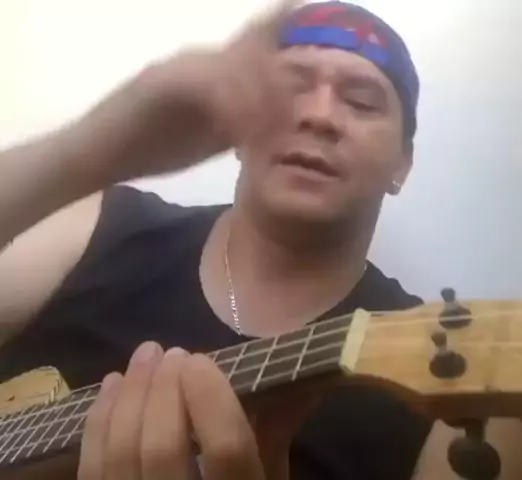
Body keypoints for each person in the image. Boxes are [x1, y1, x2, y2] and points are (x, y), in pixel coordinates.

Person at [1, 1, 522, 479]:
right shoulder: (97, 226)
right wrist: (92, 147)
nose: (319, 115)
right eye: (291, 88)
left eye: (362, 102)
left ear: (402, 165)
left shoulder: (461, 371)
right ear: (238, 131)